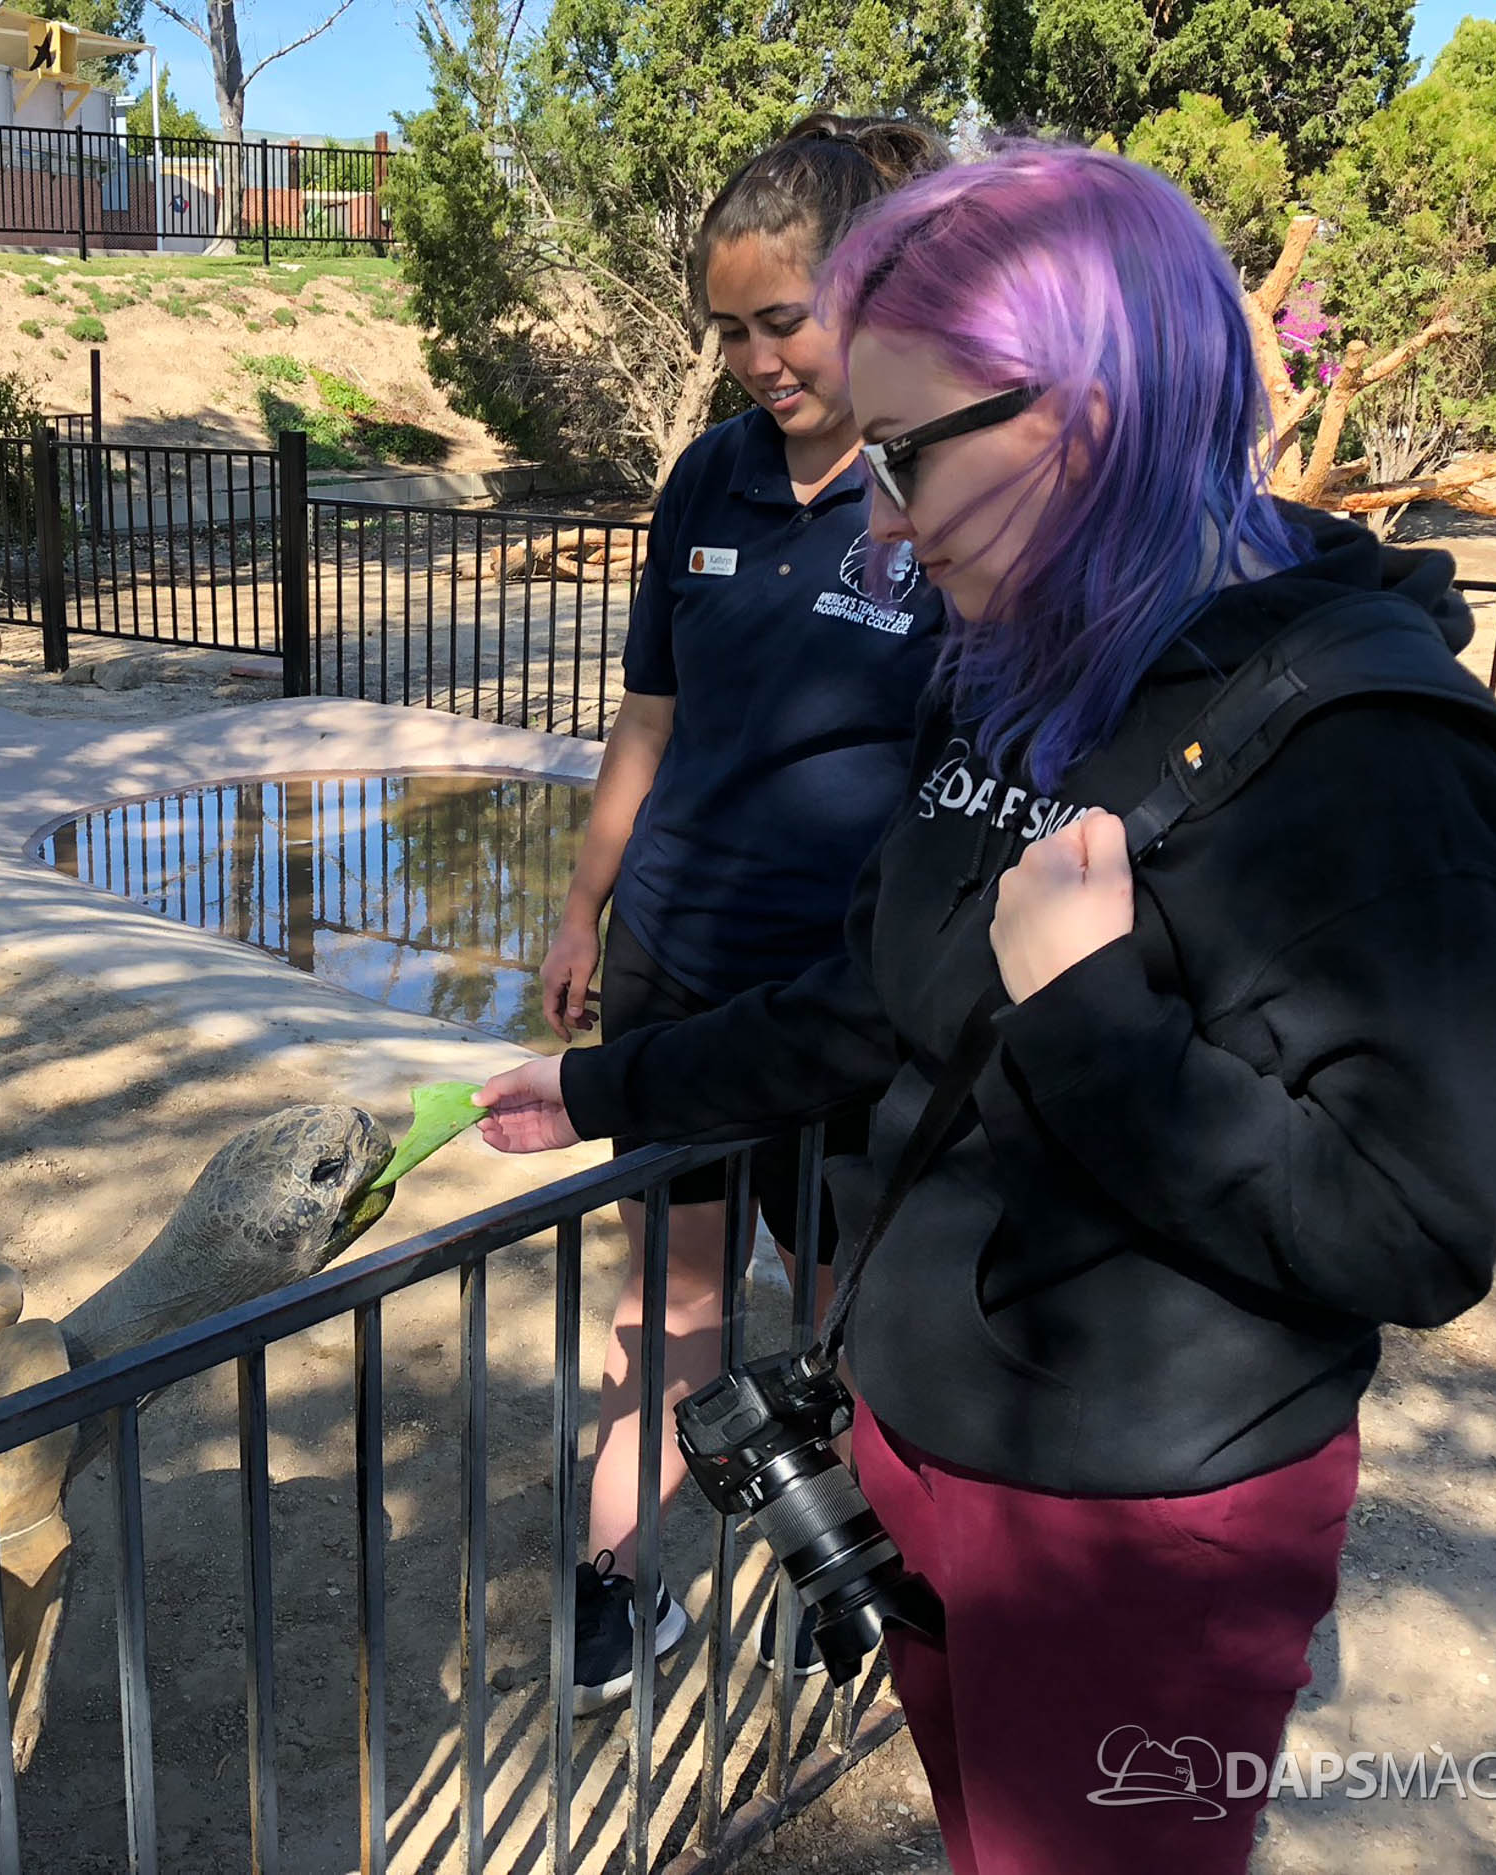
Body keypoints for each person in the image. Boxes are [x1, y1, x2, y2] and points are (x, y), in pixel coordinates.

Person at [476, 144, 1496, 1873]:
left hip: (1147, 1515)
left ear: (1090, 417)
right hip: (928, 1444)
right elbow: (876, 1002)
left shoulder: (1371, 757)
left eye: (907, 453)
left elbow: (1413, 1231)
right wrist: (609, 1086)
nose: (883, 521)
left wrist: (1094, 1009)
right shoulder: (1009, 669)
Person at [539, 112, 948, 1715]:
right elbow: (649, 716)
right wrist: (583, 909)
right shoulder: (706, 476)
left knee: (847, 1307)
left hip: (846, 995)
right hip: (678, 965)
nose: (756, 361)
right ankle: (610, 1590)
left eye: (784, 321)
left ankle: (844, 1570)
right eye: (728, 331)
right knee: (669, 1302)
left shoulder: (935, 490)